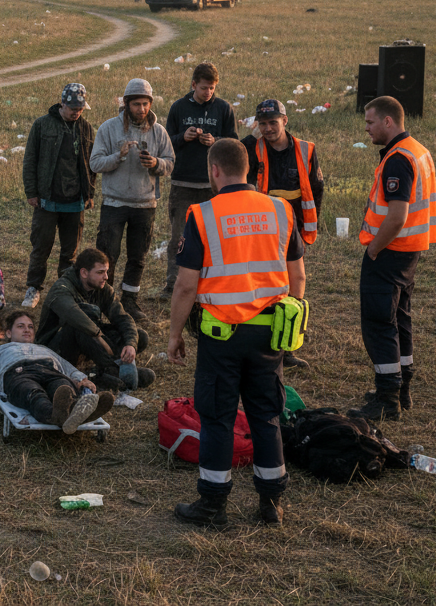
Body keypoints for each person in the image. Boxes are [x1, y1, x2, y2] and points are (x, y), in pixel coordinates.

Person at [167, 138, 305, 527]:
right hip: (269, 335)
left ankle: (212, 505)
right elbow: (297, 276)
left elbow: (185, 286)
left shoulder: (203, 214)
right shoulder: (281, 210)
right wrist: (287, 318)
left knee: (217, 418)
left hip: (221, 336)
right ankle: (272, 503)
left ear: (214, 170)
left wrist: (175, 334)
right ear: (251, 170)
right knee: (266, 416)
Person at [349, 96, 436, 422]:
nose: (367, 128)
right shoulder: (418, 149)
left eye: (370, 122)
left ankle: (387, 398)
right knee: (401, 318)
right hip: (410, 251)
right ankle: (402, 389)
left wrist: (373, 249)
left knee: (379, 323)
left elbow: (397, 215)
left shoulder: (399, 158)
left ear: (388, 121)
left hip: (389, 252)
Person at [242, 98, 324, 370]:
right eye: (262, 124)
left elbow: (316, 188)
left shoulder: (305, 150)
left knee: (292, 286)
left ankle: (286, 346)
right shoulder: (250, 147)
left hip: (292, 231)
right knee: (261, 285)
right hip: (260, 230)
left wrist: (308, 227)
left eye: (272, 122)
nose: (267, 128)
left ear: (285, 121)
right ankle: (259, 340)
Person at [89, 79, 175, 321]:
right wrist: (119, 156)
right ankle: (104, 301)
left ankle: (130, 301)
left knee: (138, 256)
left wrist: (156, 164)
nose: (142, 109)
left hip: (145, 204)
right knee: (107, 254)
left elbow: (170, 162)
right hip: (114, 204)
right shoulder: (109, 128)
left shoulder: (159, 132)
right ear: (126, 104)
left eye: (145, 104)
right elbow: (95, 163)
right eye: (136, 104)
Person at [0, 310, 114, 433]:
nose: (27, 330)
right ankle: (55, 415)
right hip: (19, 373)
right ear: (9, 333)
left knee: (63, 387)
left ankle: (77, 411)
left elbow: (66, 367)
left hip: (49, 371)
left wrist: (81, 378)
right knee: (32, 392)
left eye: (30, 327)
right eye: (21, 326)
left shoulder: (44, 350)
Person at [161, 62, 238, 299]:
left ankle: (213, 285)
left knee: (216, 237)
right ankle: (172, 285)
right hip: (183, 184)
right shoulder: (178, 108)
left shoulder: (224, 109)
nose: (208, 92)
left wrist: (215, 141)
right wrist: (183, 137)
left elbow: (234, 144)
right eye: (204, 88)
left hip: (214, 186)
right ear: (193, 84)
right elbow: (166, 142)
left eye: (212, 88)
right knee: (178, 237)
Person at [20, 83, 97, 309]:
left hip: (75, 201)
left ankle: (65, 290)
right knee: (41, 247)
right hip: (46, 199)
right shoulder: (42, 125)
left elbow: (91, 164)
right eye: (73, 108)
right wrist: (31, 192)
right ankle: (33, 288)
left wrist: (89, 192)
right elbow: (30, 160)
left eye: (80, 108)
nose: (76, 112)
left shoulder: (86, 128)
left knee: (70, 252)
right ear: (62, 103)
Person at [36, 248, 153, 391]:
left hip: (91, 345)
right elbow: (74, 315)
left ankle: (107, 370)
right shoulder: (61, 288)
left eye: (106, 271)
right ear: (84, 273)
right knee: (80, 327)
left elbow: (122, 318)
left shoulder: (103, 289)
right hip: (57, 350)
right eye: (100, 272)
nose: (106, 277)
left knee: (140, 336)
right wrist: (99, 336)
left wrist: (130, 344)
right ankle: (111, 371)